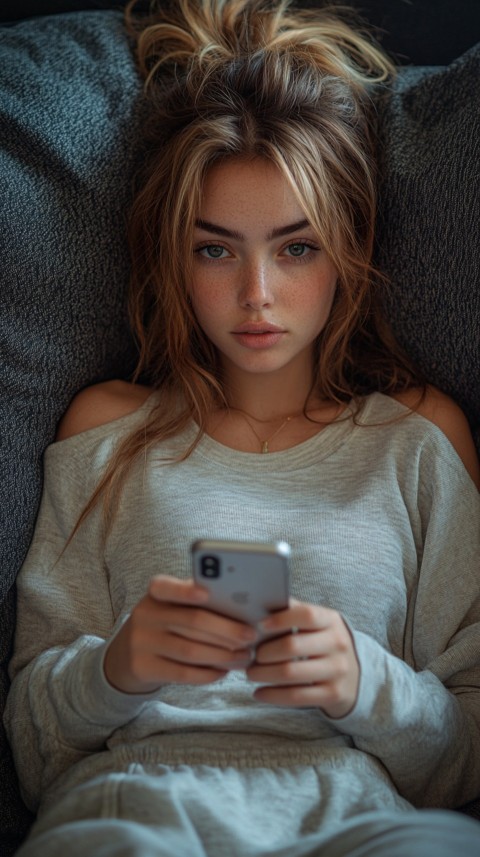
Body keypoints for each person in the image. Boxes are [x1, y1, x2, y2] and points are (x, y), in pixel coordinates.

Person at [5, 1, 480, 855]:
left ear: (348, 248)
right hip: (135, 800)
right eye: (216, 249)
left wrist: (366, 682)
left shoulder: (418, 438)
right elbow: (35, 747)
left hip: (354, 812)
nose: (256, 293)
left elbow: (468, 756)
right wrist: (117, 667)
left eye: (296, 248)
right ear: (174, 258)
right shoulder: (106, 430)